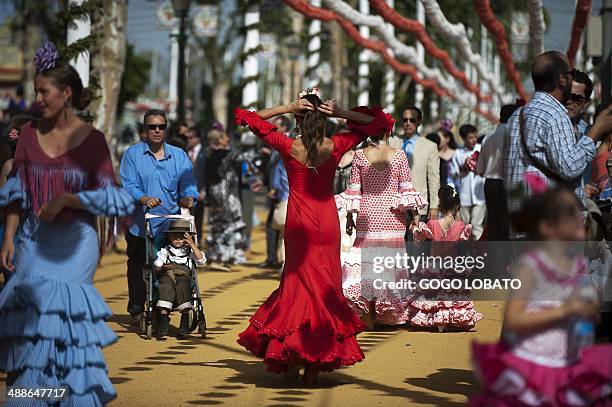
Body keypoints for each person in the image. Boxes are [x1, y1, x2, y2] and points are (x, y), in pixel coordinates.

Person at [0, 42, 135, 404]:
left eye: (44, 92)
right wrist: (9, 236)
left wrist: (70, 199)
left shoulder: (92, 140)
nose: (38, 98)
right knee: (33, 328)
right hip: (32, 239)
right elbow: (17, 191)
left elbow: (113, 197)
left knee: (65, 327)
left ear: (67, 93)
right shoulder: (28, 135)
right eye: (36, 91)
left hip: (76, 243)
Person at [234, 91, 388, 384]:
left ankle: (292, 353)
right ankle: (315, 361)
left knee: (297, 284)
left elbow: (247, 118)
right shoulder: (337, 145)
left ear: (298, 120)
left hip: (299, 222)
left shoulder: (288, 145)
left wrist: (287, 106)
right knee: (325, 285)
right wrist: (341, 112)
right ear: (324, 119)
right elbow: (379, 122)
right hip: (326, 222)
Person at [471, 183, 612, 406]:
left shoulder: (577, 266)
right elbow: (513, 319)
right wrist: (566, 309)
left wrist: (588, 312)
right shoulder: (530, 267)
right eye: (570, 212)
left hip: (567, 365)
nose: (579, 216)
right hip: (533, 367)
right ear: (547, 227)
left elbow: (581, 314)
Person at [503, 51, 612, 230]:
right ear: (561, 80)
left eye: (577, 98)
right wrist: (596, 132)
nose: (570, 101)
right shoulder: (554, 115)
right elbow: (569, 167)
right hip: (550, 224)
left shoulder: (518, 115)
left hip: (522, 223)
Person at [340, 125, 426, 328]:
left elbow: (354, 189)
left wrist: (351, 218)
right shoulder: (399, 155)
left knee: (366, 266)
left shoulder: (360, 155)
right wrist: (415, 215)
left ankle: (368, 316)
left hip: (367, 214)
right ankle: (387, 313)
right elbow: (406, 187)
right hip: (392, 215)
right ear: (389, 132)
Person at [120, 109, 198, 323]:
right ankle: (136, 307)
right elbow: (128, 184)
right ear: (144, 130)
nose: (156, 130)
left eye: (161, 126)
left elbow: (188, 182)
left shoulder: (179, 155)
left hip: (169, 224)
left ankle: (161, 308)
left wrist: (189, 197)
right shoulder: (132, 154)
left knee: (169, 267)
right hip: (139, 222)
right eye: (152, 126)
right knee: (137, 266)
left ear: (166, 129)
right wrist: (143, 198)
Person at [410, 185, 483, 331]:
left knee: (434, 293)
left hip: (435, 264)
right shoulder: (462, 226)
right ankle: (449, 319)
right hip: (452, 265)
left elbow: (420, 236)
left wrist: (415, 228)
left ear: (441, 204)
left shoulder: (432, 224)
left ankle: (438, 321)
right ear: (457, 206)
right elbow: (465, 242)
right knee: (452, 293)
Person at [153, 219, 206, 339]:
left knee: (183, 286)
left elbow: (201, 260)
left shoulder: (189, 251)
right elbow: (157, 266)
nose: (177, 239)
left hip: (184, 276)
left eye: (181, 237)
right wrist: (161, 266)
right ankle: (163, 321)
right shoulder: (165, 251)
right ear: (168, 237)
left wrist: (192, 245)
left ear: (187, 238)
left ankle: (184, 323)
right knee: (165, 286)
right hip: (167, 275)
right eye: (174, 236)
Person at [204, 128, 248, 267]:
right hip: (230, 194)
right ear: (220, 140)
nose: (228, 139)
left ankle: (216, 254)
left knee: (217, 224)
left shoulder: (208, 155)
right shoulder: (232, 154)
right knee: (232, 223)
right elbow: (244, 167)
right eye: (225, 137)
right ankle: (230, 254)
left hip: (214, 194)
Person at [477, 104, 520, 241]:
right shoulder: (513, 137)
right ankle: (504, 260)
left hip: (489, 183)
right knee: (506, 224)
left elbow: (480, 169)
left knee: (493, 223)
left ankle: (494, 259)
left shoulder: (488, 138)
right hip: (505, 183)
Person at [259, 115, 291, 269]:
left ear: (285, 127)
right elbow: (273, 170)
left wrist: (274, 187)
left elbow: (281, 171)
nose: (272, 128)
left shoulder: (285, 144)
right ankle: (274, 259)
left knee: (283, 229)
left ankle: (281, 261)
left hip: (284, 193)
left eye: (276, 125)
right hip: (278, 193)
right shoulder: (274, 145)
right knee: (275, 227)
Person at [398, 106, 440, 220]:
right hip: (395, 203)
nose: (408, 123)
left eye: (412, 120)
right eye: (405, 120)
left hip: (418, 204)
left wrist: (434, 206)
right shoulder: (392, 142)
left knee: (416, 238)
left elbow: (434, 178)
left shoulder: (430, 146)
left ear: (419, 122)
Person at [452, 124, 486, 240]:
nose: (474, 140)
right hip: (465, 196)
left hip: (480, 194)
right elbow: (455, 175)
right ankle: (466, 254)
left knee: (477, 226)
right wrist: (464, 167)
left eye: (475, 137)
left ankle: (479, 254)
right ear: (463, 138)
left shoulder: (481, 149)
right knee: (464, 227)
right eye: (470, 137)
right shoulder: (458, 153)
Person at [183, 126, 206, 242]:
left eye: (191, 137)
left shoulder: (206, 152)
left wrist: (204, 189)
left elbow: (208, 172)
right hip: (186, 192)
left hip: (200, 190)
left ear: (198, 138)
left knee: (199, 218)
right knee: (187, 217)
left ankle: (198, 242)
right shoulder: (184, 152)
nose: (188, 140)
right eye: (187, 138)